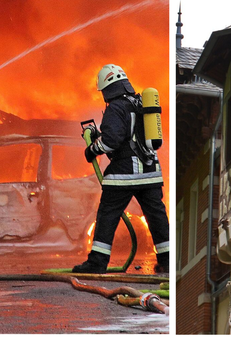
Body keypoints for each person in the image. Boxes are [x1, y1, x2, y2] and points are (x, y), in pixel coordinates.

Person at [73, 64, 170, 274]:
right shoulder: (139, 102)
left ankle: (97, 262)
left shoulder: (116, 107)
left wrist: (92, 149)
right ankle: (167, 261)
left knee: (108, 215)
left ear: (107, 89)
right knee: (156, 216)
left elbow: (112, 141)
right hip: (151, 174)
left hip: (124, 176)